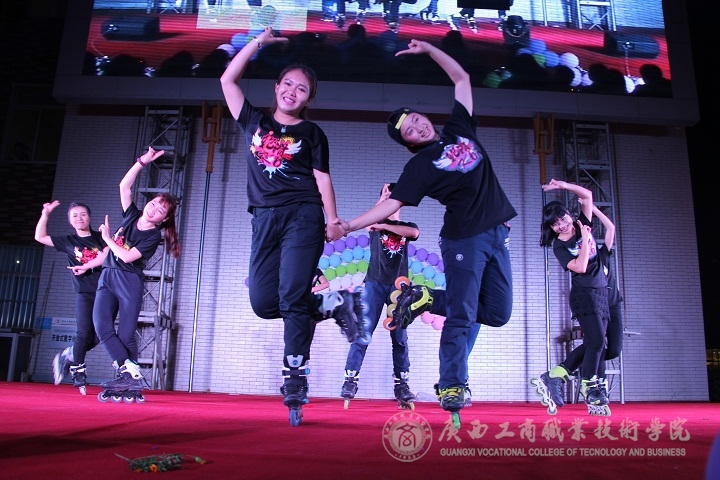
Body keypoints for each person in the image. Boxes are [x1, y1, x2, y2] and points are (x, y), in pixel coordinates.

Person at [336, 39, 516, 422]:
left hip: (496, 235)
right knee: (463, 314)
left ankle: (425, 297)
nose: (416, 126)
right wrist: (349, 225)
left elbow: (461, 78)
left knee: (498, 313)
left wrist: (431, 50)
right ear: (408, 144)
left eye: (416, 119)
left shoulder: (459, 128)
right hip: (463, 238)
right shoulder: (419, 167)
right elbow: (390, 205)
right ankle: (452, 384)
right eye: (409, 131)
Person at [220, 26, 364, 421]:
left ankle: (296, 374)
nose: (292, 92)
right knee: (264, 303)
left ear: (308, 99)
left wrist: (332, 220)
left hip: (303, 214)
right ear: (276, 87)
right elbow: (227, 80)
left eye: (301, 89)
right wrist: (257, 43)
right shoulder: (253, 120)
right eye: (287, 84)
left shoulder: (312, 133)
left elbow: (322, 178)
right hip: (263, 217)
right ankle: (333, 303)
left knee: (290, 295)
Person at [93, 147, 181, 399]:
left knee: (125, 335)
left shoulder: (152, 236)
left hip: (128, 280)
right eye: (153, 204)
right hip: (108, 276)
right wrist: (142, 162)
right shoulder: (131, 215)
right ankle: (129, 373)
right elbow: (124, 186)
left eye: (160, 211)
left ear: (163, 220)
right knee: (102, 326)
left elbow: (126, 256)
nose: (153, 209)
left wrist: (107, 239)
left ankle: (129, 378)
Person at [533, 201, 620, 415]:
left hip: (607, 300)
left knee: (599, 346)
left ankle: (558, 374)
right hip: (585, 295)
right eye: (555, 223)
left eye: (563, 219)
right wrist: (586, 238)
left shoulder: (600, 255)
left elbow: (609, 226)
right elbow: (580, 266)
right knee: (596, 343)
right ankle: (590, 385)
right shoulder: (564, 246)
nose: (561, 225)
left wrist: (567, 188)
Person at [340, 183, 420, 408]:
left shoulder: (406, 226)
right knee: (363, 333)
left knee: (399, 337)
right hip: (374, 284)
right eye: (387, 199)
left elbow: (414, 233)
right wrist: (382, 200)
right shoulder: (374, 225)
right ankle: (350, 379)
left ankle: (402, 384)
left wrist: (385, 224)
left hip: (399, 287)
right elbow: (369, 223)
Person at [35, 201, 109, 393]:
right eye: (74, 215)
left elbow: (106, 256)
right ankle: (78, 370)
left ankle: (68, 354)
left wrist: (86, 266)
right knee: (83, 333)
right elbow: (40, 237)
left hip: (106, 293)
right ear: (69, 220)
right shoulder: (68, 241)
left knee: (99, 337)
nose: (79, 218)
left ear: (89, 218)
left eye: (83, 214)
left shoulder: (101, 237)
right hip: (85, 293)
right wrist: (45, 214)